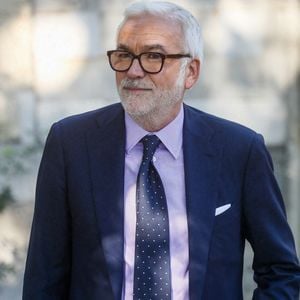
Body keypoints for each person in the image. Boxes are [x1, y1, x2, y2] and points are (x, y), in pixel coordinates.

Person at [23, 1, 300, 299]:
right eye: (124, 55)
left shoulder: (239, 150)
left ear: (190, 72)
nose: (133, 70)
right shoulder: (71, 143)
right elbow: (44, 276)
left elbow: (280, 271)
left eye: (153, 56)